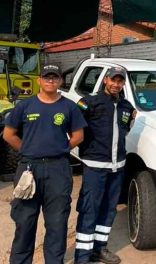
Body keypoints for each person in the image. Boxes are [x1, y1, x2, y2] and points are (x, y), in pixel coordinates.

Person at [3, 64, 86, 264]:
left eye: (54, 77)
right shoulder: (24, 106)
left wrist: (59, 148)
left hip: (58, 169)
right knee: (24, 221)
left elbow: (78, 135)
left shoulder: (68, 107)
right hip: (28, 169)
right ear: (39, 80)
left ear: (60, 81)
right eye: (46, 77)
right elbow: (8, 134)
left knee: (57, 223)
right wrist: (27, 150)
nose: (50, 80)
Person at [74, 66, 136, 264]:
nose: (116, 84)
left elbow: (124, 130)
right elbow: (73, 127)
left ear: (123, 83)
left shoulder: (126, 107)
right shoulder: (88, 103)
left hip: (117, 166)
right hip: (94, 165)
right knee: (89, 208)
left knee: (109, 209)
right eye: (113, 80)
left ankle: (99, 249)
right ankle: (82, 257)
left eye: (120, 81)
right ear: (105, 80)